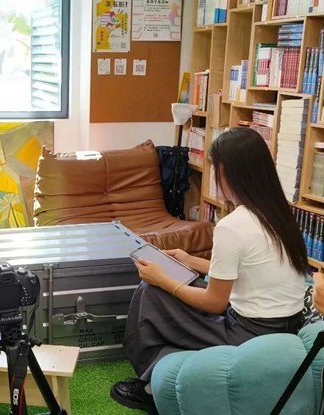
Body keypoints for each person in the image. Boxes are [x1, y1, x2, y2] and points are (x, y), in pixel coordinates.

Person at [110, 128, 307, 414]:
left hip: (247, 334)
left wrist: (164, 280)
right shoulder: (280, 213)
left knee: (152, 292)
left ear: (228, 173)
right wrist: (190, 260)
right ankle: (153, 378)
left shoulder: (232, 226)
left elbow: (215, 302)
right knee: (164, 285)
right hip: (287, 325)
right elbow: (250, 271)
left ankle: (151, 388)